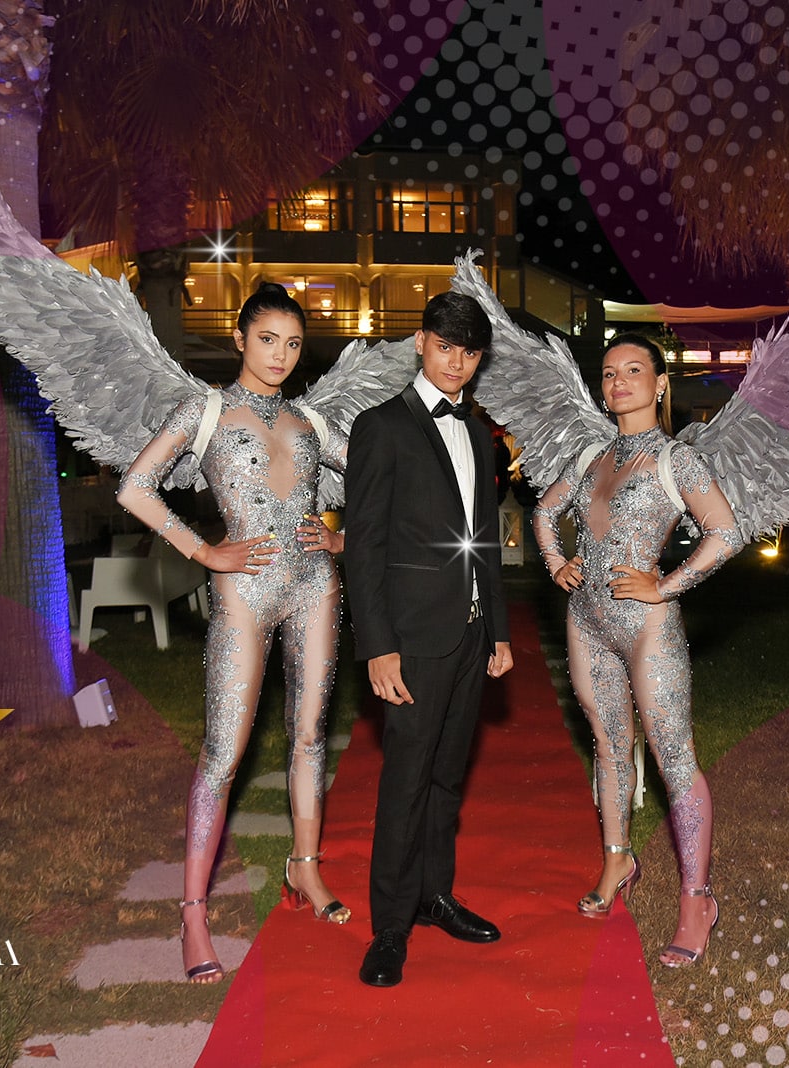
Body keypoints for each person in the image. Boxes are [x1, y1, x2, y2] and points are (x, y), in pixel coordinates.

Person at [117, 282, 352, 984]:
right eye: (267, 339)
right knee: (224, 751)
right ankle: (193, 912)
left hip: (315, 587)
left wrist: (344, 539)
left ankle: (305, 868)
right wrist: (203, 550)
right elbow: (134, 487)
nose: (280, 355)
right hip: (244, 593)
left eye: (293, 343)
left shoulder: (311, 421)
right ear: (240, 339)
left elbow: (383, 481)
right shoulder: (206, 411)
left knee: (310, 734)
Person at [532, 334, 743, 967]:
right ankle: (617, 861)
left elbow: (725, 532)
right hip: (586, 621)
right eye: (609, 373)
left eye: (633, 370)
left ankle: (697, 899)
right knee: (608, 744)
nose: (619, 381)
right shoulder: (591, 454)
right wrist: (556, 561)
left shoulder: (677, 459)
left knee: (674, 755)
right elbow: (544, 512)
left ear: (659, 384)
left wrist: (666, 584)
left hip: (649, 626)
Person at [343, 291, 514, 988]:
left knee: (447, 777)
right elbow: (364, 546)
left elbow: (484, 539)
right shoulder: (380, 426)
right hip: (411, 638)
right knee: (406, 781)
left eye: (469, 353)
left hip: (471, 635)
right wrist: (377, 645)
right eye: (446, 347)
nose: (456, 364)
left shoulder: (479, 431)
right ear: (420, 342)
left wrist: (499, 629)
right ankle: (389, 927)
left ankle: (434, 896)